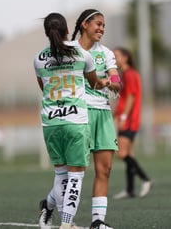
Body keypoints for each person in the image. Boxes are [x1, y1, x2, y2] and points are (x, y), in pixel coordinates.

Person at [34, 12, 109, 229]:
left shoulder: (38, 58)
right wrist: (106, 83)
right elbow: (94, 83)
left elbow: (44, 88)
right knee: (75, 178)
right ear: (68, 30)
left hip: (51, 122)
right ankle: (66, 225)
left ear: (47, 33)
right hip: (76, 121)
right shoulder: (82, 54)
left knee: (61, 176)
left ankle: (55, 215)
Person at [70, 9, 120, 229]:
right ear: (84, 24)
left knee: (105, 169)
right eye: (98, 24)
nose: (101, 28)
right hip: (78, 114)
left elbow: (117, 82)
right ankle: (58, 212)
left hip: (103, 113)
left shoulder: (106, 53)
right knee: (75, 172)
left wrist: (110, 82)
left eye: (104, 25)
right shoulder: (69, 50)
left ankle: (97, 222)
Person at [112, 47, 152, 199]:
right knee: (128, 154)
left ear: (126, 57)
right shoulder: (127, 74)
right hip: (128, 118)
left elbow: (130, 97)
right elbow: (123, 99)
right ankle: (129, 189)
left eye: (116, 56)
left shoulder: (129, 74)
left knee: (121, 154)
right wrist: (114, 115)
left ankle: (146, 179)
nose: (114, 59)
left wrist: (123, 117)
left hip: (129, 120)